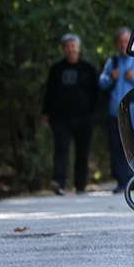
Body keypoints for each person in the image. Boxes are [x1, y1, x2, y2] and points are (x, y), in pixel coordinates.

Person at [41, 33, 100, 195]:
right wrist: (45, 113)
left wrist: (93, 114)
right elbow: (49, 93)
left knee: (82, 152)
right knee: (61, 149)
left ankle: (80, 185)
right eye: (67, 47)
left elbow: (96, 93)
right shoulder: (56, 70)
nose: (70, 49)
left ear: (78, 48)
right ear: (63, 49)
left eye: (73, 46)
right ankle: (58, 182)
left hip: (84, 118)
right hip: (60, 118)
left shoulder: (88, 69)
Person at [99, 27, 134, 193]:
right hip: (114, 112)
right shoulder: (112, 61)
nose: (123, 45)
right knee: (116, 147)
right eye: (120, 42)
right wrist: (111, 78)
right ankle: (122, 181)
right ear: (116, 44)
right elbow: (101, 83)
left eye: (126, 41)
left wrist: (133, 78)